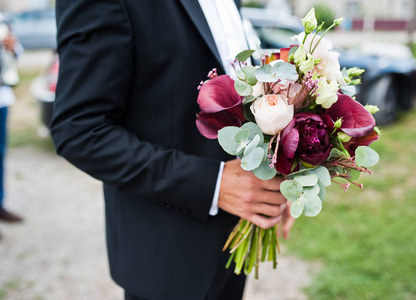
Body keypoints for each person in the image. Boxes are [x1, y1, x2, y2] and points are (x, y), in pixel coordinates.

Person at [51, 1, 294, 299]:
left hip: (232, 246)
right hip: (166, 260)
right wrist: (213, 185)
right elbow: (80, 130)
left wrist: (276, 175)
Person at [0, 13, 23, 229]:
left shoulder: (2, 20)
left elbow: (17, 53)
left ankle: (0, 203)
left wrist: (12, 47)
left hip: (1, 99)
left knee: (0, 154)